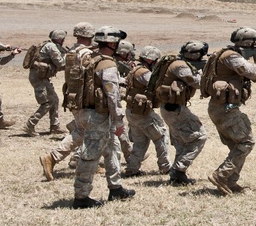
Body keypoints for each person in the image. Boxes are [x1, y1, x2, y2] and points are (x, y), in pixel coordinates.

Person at [203, 27, 256, 196]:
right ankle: (221, 175)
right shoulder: (231, 56)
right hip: (225, 109)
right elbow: (253, 71)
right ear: (249, 43)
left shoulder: (230, 54)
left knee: (238, 145)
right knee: (246, 143)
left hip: (223, 107)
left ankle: (230, 182)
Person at [70, 26, 134, 208]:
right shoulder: (107, 64)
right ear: (113, 43)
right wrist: (119, 120)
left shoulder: (91, 58)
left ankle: (116, 187)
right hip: (98, 116)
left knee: (112, 149)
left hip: (88, 112)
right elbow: (112, 95)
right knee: (90, 155)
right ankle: (81, 197)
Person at [39, 22, 94, 181]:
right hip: (85, 98)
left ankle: (61, 158)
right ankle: (54, 157)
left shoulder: (71, 52)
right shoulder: (86, 53)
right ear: (89, 36)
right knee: (87, 131)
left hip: (73, 96)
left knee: (83, 130)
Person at [153, 41, 209, 186]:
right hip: (174, 109)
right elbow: (196, 83)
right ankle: (178, 169)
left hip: (171, 108)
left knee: (182, 143)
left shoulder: (176, 62)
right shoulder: (180, 66)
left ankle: (178, 177)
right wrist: (204, 73)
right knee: (199, 137)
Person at [121, 45, 171, 177]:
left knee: (140, 142)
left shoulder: (135, 69)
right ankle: (165, 167)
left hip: (133, 111)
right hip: (142, 113)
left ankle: (132, 168)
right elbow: (155, 86)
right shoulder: (143, 72)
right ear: (150, 60)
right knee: (161, 136)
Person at [24, 30, 68, 136]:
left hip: (41, 77)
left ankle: (55, 126)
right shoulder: (51, 47)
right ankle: (30, 125)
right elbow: (60, 62)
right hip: (39, 78)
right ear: (60, 39)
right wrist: (69, 56)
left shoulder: (48, 44)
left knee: (54, 100)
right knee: (47, 103)